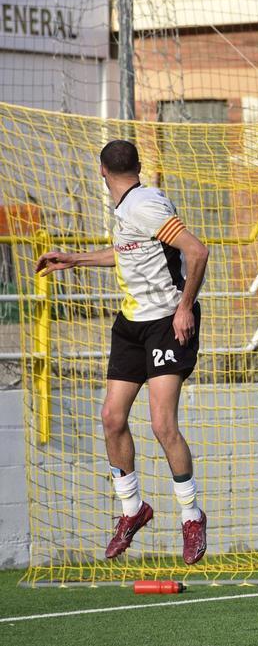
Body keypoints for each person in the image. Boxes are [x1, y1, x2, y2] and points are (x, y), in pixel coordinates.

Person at [36, 140, 210, 564]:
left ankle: (191, 516)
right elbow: (129, 254)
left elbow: (197, 250)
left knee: (161, 424)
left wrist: (184, 307)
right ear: (138, 165)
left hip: (167, 323)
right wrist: (74, 259)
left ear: (101, 170)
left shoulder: (144, 205)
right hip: (131, 325)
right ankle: (133, 510)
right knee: (112, 418)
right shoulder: (131, 205)